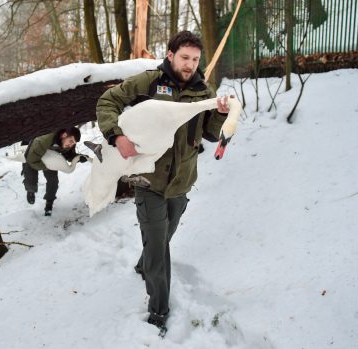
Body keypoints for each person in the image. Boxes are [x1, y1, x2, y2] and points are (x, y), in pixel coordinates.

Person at [96, 31, 230, 331]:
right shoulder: (150, 82)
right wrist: (117, 136)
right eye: (185, 57)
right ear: (170, 55)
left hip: (181, 184)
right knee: (159, 248)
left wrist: (219, 113)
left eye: (195, 59)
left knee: (163, 238)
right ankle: (159, 311)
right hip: (148, 181)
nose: (190, 64)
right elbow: (108, 102)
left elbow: (209, 133)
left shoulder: (202, 90)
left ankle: (144, 263)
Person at [23, 127, 84, 216]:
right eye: (71, 141)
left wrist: (78, 158)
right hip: (33, 154)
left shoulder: (67, 142)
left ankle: (49, 204)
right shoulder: (45, 139)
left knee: (53, 181)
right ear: (64, 135)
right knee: (30, 173)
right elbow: (32, 159)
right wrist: (46, 166)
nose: (71, 145)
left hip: (49, 157)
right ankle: (30, 190)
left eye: (73, 143)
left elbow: (69, 155)